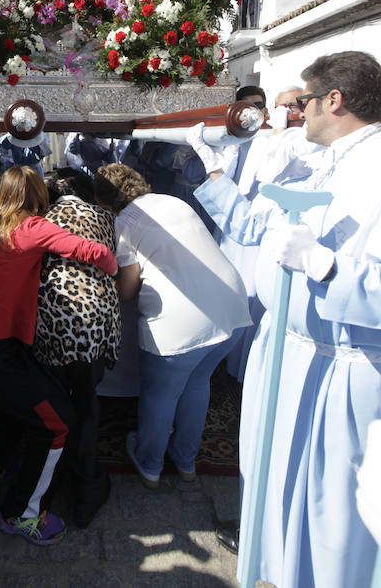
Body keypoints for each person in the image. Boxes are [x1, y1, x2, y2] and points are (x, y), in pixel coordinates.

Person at [190, 51, 381, 588]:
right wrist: (213, 169)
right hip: (287, 350)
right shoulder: (327, 158)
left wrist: (328, 268)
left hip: (342, 369)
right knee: (273, 479)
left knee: (330, 510)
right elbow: (257, 226)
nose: (299, 114)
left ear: (334, 100)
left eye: (305, 102)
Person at [0, 166, 118, 546]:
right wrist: (112, 267)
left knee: (16, 409)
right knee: (58, 423)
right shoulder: (32, 226)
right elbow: (92, 251)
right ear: (39, 196)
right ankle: (20, 514)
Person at [93, 163, 250, 489]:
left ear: (104, 202)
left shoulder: (126, 221)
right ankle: (185, 459)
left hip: (180, 324)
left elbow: (127, 290)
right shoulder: (174, 201)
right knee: (197, 383)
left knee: (160, 396)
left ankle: (150, 464)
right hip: (232, 307)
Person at [34, 168, 121, 527]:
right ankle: (86, 492)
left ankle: (47, 485)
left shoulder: (41, 217)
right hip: (94, 319)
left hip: (53, 314)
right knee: (87, 404)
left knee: (53, 405)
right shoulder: (105, 216)